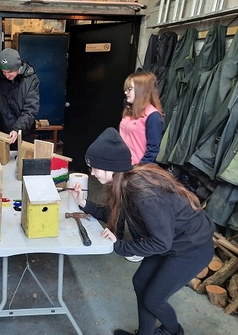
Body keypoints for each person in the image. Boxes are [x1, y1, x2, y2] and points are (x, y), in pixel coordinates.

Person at [70, 128, 215, 335]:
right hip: (171, 240)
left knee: (154, 299)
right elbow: (113, 213)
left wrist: (119, 245)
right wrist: (83, 202)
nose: (92, 173)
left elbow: (160, 243)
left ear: (112, 167)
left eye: (95, 168)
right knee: (140, 282)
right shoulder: (124, 183)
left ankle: (174, 332)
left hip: (192, 247)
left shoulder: (144, 196)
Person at [119, 71, 164, 262]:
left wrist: (139, 169)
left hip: (138, 170)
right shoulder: (129, 110)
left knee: (136, 209)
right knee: (117, 203)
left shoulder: (153, 116)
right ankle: (115, 237)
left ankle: (140, 246)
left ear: (142, 90)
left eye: (130, 89)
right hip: (121, 166)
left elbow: (153, 148)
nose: (126, 93)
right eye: (126, 89)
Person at [0, 48, 40, 149]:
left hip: (24, 132)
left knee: (23, 161)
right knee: (4, 162)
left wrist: (17, 129)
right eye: (4, 72)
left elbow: (30, 109)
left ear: (18, 68)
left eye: (9, 72)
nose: (7, 75)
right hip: (3, 130)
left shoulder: (31, 79)